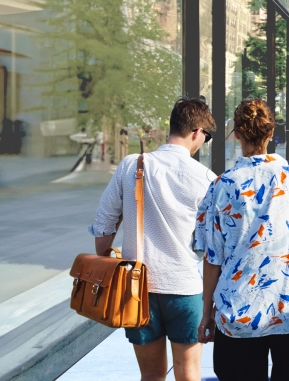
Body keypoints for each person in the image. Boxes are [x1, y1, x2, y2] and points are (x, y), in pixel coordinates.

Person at [194, 99, 289, 380]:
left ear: (237, 133)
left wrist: (206, 313)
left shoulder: (222, 185)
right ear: (271, 133)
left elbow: (212, 258)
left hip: (237, 310)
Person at [89, 98, 218, 381]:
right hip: (184, 287)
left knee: (150, 375)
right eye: (205, 138)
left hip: (137, 288)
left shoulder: (131, 165)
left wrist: (106, 260)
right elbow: (213, 244)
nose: (203, 144)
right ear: (197, 131)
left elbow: (103, 225)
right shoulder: (206, 177)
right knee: (188, 373)